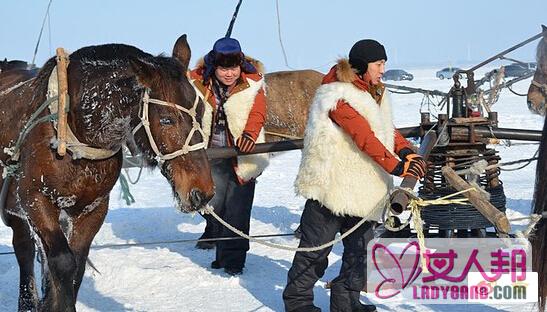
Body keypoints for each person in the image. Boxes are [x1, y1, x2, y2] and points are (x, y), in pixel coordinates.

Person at [282, 39, 427, 312]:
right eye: (379, 64)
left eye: (384, 64)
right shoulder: (336, 95)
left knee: (360, 250)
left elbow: (386, 129)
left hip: (362, 189)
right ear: (361, 67)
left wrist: (407, 151)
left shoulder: (375, 92)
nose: (383, 69)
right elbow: (364, 135)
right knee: (315, 251)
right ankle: (297, 303)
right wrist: (396, 167)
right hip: (331, 188)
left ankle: (345, 300)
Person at [189, 37, 269, 276]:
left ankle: (234, 261)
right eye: (224, 68)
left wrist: (250, 134)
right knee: (216, 208)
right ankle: (222, 255)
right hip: (210, 155)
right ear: (215, 67)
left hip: (242, 157)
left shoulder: (254, 84)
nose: (229, 74)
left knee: (238, 211)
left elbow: (258, 112)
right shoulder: (198, 83)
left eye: (233, 68)